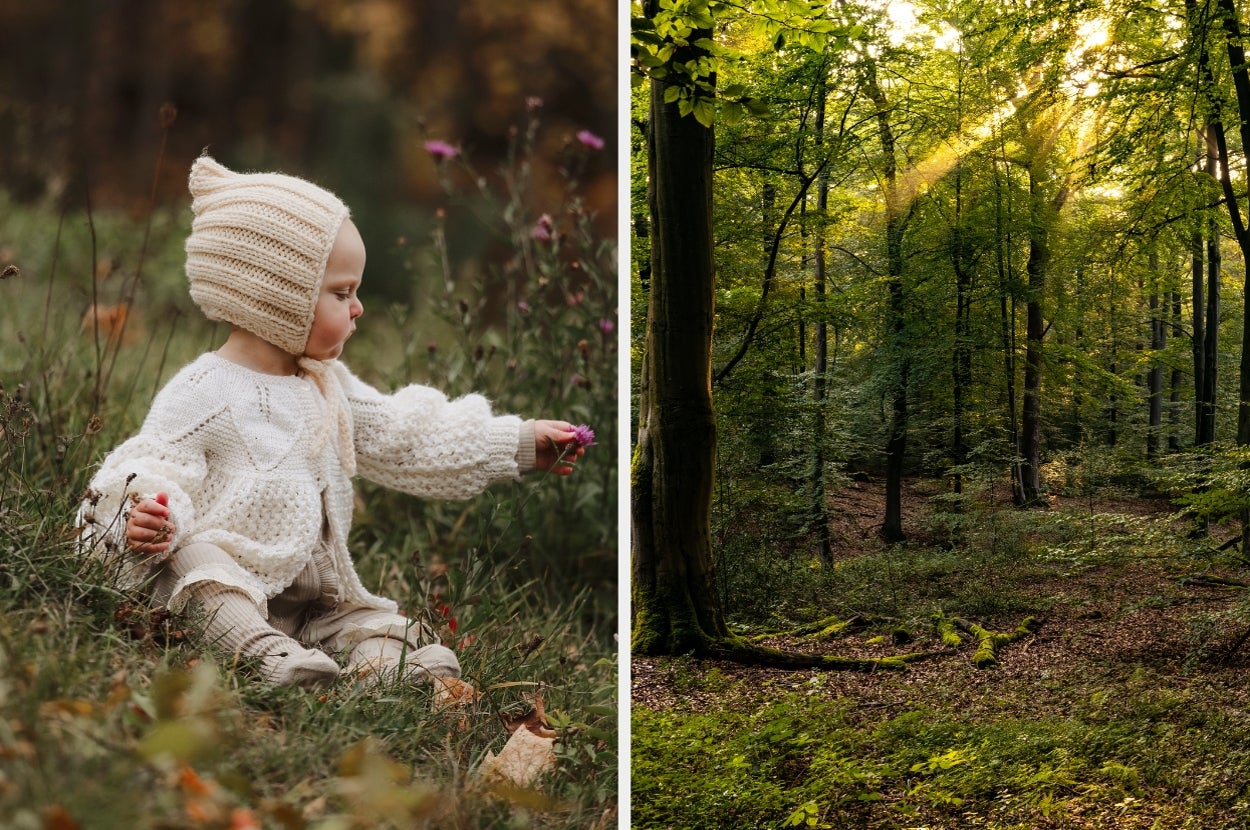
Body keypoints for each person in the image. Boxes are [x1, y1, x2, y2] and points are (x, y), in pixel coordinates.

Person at [77, 155, 586, 692]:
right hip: (233, 584)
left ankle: (376, 670)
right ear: (277, 298)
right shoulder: (206, 390)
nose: (359, 308)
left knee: (373, 624)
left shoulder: (328, 385)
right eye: (342, 294)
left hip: (311, 601)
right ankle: (260, 656)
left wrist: (519, 442)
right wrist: (153, 514)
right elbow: (149, 465)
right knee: (196, 564)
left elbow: (406, 435)